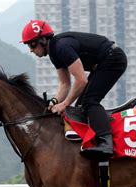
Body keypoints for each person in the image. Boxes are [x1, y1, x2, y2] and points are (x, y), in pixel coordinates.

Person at [21, 19, 127, 161]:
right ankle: (95, 137)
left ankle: (106, 143)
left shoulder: (61, 47)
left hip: (113, 59)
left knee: (89, 102)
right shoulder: (54, 53)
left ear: (42, 41)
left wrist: (64, 105)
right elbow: (65, 84)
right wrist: (55, 101)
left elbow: (81, 81)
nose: (31, 50)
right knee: (80, 106)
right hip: (104, 61)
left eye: (31, 45)